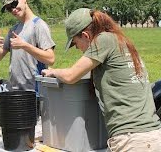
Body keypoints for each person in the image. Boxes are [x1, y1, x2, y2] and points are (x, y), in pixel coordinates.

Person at [41, 8, 161, 151]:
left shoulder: (103, 40)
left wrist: (53, 71)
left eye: (75, 43)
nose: (78, 49)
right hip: (151, 135)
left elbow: (71, 76)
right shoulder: (120, 40)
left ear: (85, 35)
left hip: (132, 140)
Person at [0, 0, 55, 93]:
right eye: (8, 8)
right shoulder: (13, 29)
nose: (13, 9)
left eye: (14, 3)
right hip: (15, 89)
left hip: (35, 90)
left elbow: (50, 58)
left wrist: (25, 46)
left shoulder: (39, 25)